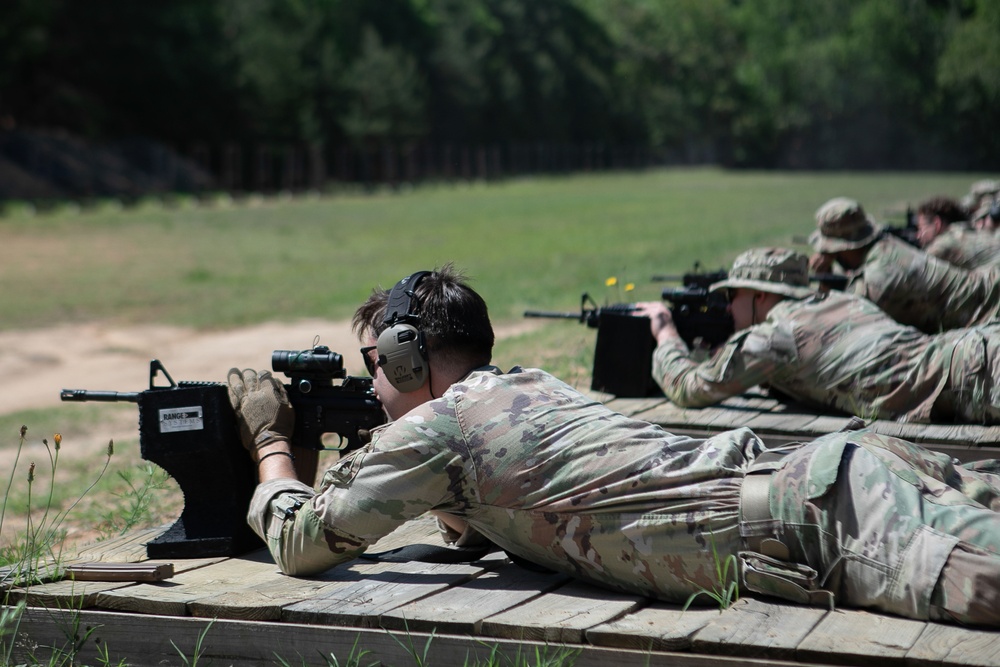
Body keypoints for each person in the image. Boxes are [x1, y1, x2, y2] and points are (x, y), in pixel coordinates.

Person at [227, 264, 1000, 628]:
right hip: (839, 477)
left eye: (375, 367)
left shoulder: (442, 426)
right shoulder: (528, 385)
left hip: (829, 520)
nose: (374, 388)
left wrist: (271, 441)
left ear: (403, 356)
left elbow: (298, 541)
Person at [636, 247, 1000, 423]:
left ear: (759, 294)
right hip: (976, 350)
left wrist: (665, 332)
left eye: (733, 296)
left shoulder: (773, 338)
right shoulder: (840, 300)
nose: (728, 307)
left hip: (974, 373)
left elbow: (688, 387)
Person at [807, 197, 1000, 334]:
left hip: (991, 309)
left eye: (829, 249)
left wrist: (824, 277)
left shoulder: (880, 275)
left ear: (841, 247)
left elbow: (839, 325)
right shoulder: (884, 250)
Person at [916, 195, 1000, 270]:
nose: (918, 235)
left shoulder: (946, 242)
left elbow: (918, 267)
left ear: (937, 224)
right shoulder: (965, 229)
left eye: (921, 228)